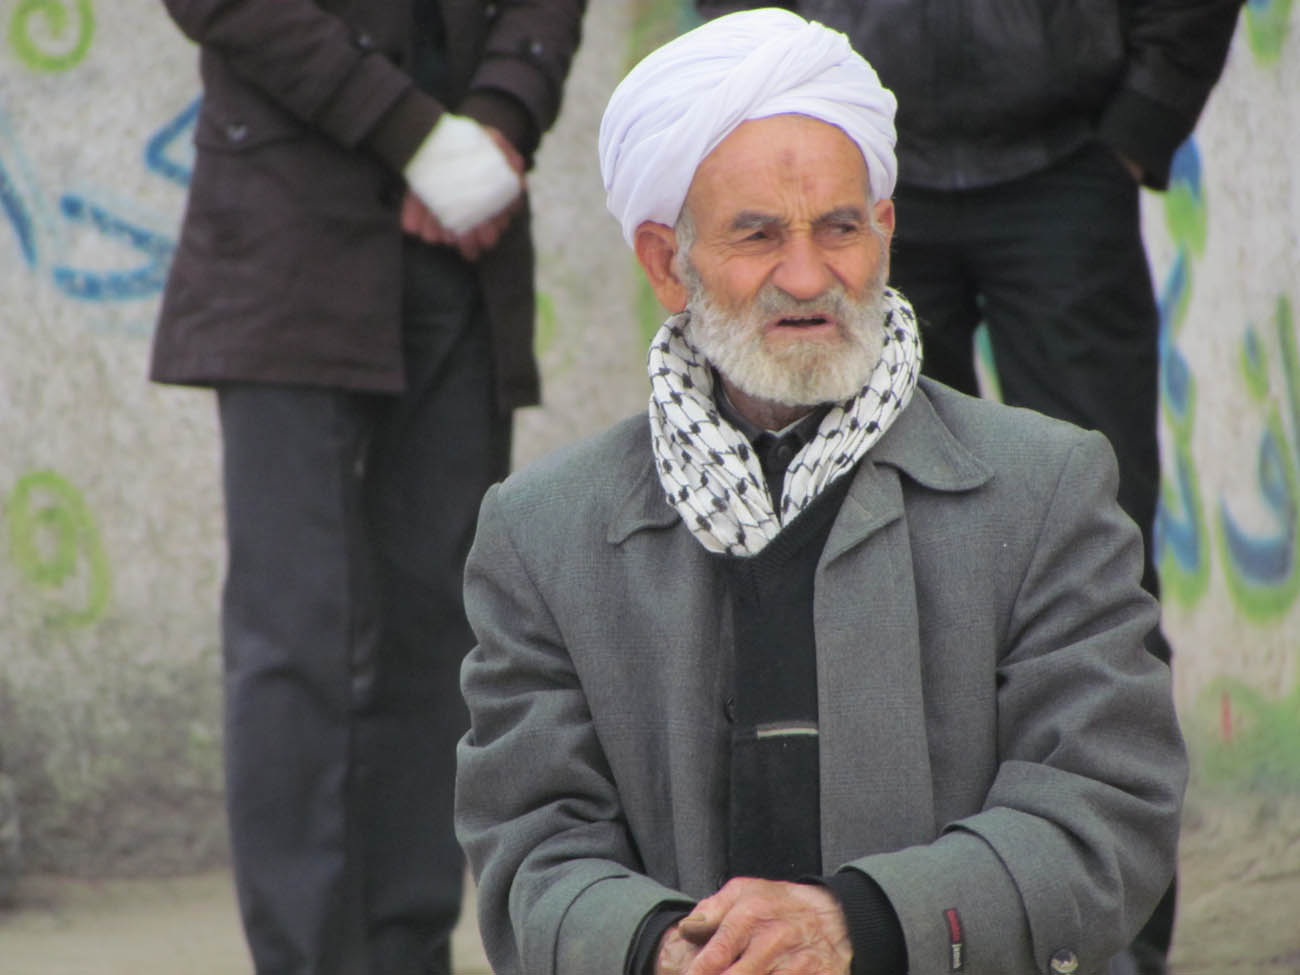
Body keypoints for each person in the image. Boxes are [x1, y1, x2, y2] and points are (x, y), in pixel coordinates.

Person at [455, 10, 1187, 975]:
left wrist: (860, 926)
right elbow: (532, 846)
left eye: (840, 227)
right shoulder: (544, 533)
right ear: (667, 263)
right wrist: (662, 949)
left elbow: (1106, 809)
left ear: (884, 232)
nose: (807, 276)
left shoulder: (1043, 489)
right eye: (757, 234)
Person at [694, 4, 1241, 970]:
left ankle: (1119, 942)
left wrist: (1142, 120)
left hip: (1066, 168)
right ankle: (905, 915)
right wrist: (784, 120)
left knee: (1102, 555)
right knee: (870, 559)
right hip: (855, 181)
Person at [149, 1, 585, 972]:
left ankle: (408, 951)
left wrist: (502, 117)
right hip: (286, 239)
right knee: (293, 636)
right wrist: (409, 131)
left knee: (441, 631)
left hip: (463, 243)